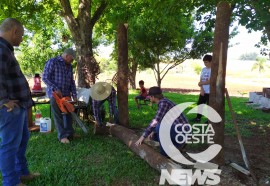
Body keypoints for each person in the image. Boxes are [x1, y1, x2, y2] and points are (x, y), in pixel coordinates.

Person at [0, 18, 40, 186]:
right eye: (22, 35)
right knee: (10, 145)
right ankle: (11, 182)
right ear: (14, 31)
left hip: (19, 106)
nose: (22, 39)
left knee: (22, 139)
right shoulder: (1, 49)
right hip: (10, 108)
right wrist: (3, 100)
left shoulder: (6, 49)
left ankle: (22, 172)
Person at [135, 86, 189, 156]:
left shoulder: (163, 103)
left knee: (159, 127)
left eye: (150, 97)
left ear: (153, 97)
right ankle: (176, 146)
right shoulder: (164, 101)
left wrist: (143, 136)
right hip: (179, 131)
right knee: (153, 135)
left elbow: (156, 121)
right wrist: (153, 131)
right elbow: (162, 119)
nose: (149, 99)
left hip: (183, 132)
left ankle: (165, 155)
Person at [43, 48, 78, 144]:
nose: (72, 61)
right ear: (66, 56)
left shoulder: (69, 66)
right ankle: (62, 136)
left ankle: (70, 133)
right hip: (55, 95)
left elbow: (71, 81)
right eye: (72, 59)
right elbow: (45, 77)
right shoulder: (52, 62)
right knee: (58, 115)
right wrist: (56, 88)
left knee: (68, 113)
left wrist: (74, 94)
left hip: (66, 94)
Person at [193, 54, 212, 122]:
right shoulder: (203, 69)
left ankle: (209, 120)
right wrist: (202, 89)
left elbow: (211, 81)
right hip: (203, 91)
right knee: (200, 104)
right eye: (204, 62)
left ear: (211, 62)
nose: (205, 63)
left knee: (209, 107)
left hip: (210, 91)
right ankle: (198, 118)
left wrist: (202, 83)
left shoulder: (213, 70)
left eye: (206, 62)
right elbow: (201, 79)